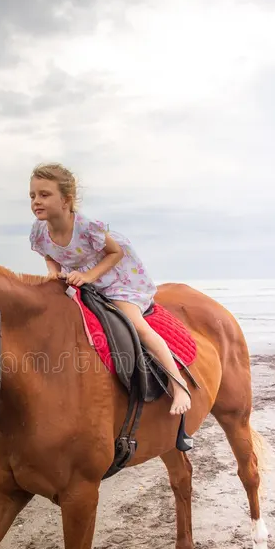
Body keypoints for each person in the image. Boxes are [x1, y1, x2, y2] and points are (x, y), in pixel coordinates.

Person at [29, 162, 191, 416]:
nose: (36, 201)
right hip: (81, 280)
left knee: (137, 326)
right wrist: (53, 272)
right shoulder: (39, 231)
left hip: (116, 280)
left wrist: (87, 275)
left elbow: (114, 253)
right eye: (33, 195)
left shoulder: (86, 227)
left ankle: (179, 385)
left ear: (66, 200)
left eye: (44, 194)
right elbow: (47, 254)